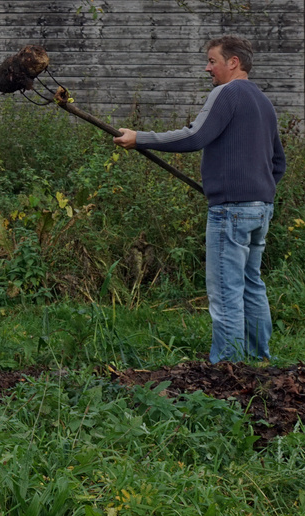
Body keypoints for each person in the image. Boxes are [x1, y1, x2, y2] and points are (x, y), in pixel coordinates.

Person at [113, 35, 286, 362]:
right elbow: (279, 163)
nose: (208, 68)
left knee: (225, 292)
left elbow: (195, 136)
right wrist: (259, 192)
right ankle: (259, 359)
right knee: (252, 284)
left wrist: (141, 139)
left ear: (233, 62)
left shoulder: (227, 92)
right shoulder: (264, 102)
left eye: (212, 61)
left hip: (231, 211)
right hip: (261, 209)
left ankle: (229, 369)